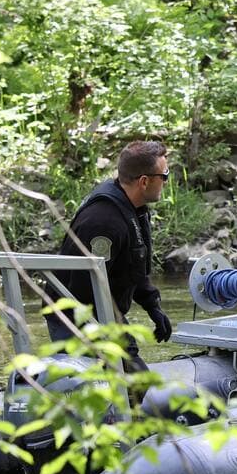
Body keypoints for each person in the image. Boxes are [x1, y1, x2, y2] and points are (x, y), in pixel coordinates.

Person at [44, 140, 173, 370]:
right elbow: (86, 289)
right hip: (74, 315)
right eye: (164, 175)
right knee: (130, 380)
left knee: (131, 372)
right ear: (144, 181)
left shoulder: (133, 208)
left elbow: (134, 265)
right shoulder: (104, 222)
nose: (166, 181)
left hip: (102, 308)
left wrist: (152, 306)